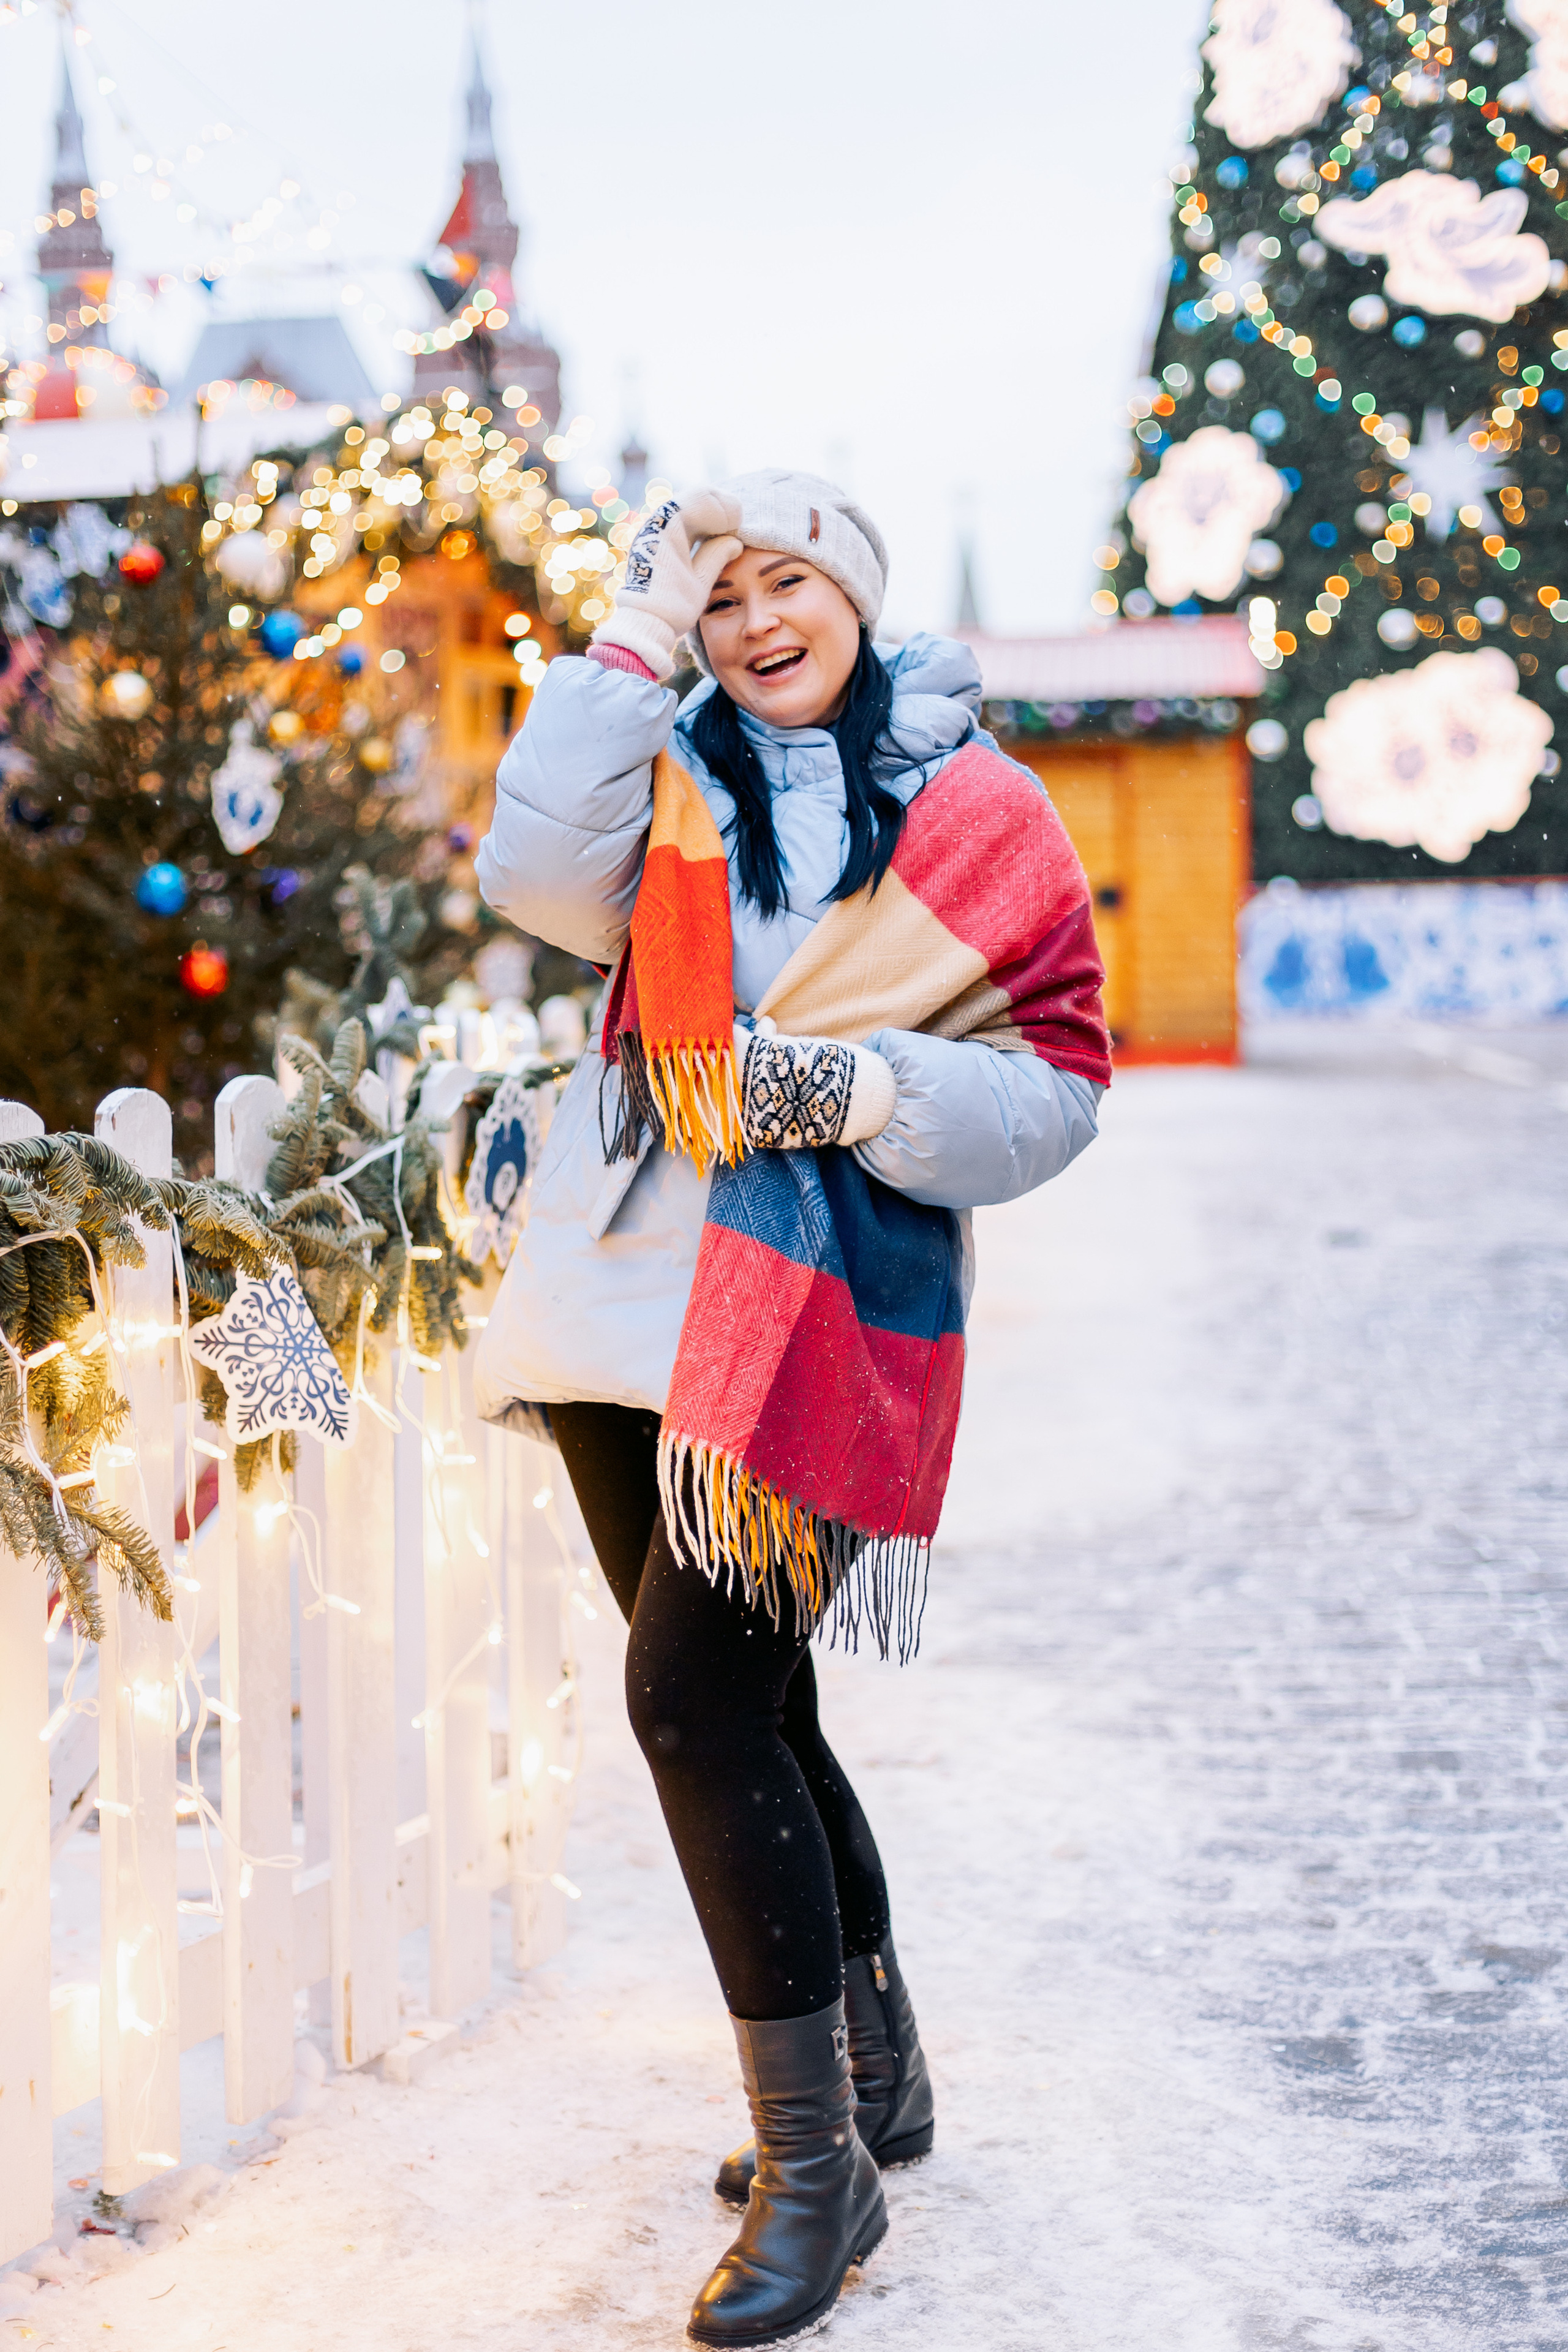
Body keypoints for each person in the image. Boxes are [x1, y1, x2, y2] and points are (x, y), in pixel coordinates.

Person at [473, 471, 1110, 2347]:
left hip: (822, 1309)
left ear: (853, 595)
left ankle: (816, 2170)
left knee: (690, 1700)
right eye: (721, 594)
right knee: (762, 1705)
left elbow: (1061, 1079)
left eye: (788, 585)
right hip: (623, 1298)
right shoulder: (663, 774)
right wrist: (628, 628)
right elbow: (530, 874)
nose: (757, 623)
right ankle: (876, 2075)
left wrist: (861, 1091)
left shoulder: (978, 807)